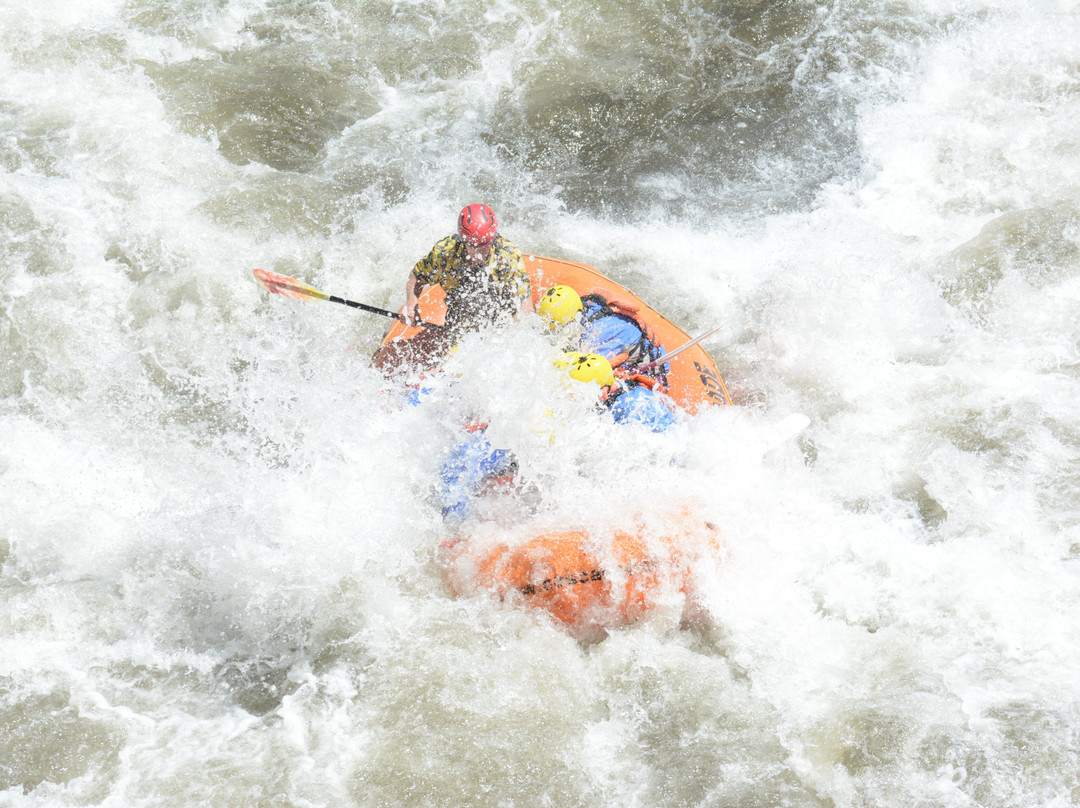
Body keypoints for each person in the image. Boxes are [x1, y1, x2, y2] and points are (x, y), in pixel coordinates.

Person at [437, 352, 677, 524]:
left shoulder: (633, 407)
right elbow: (467, 460)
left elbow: (671, 455)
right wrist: (459, 522)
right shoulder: (544, 411)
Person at [373, 204, 533, 374]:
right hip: (459, 320)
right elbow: (417, 276)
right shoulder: (445, 252)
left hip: (499, 320)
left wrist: (514, 335)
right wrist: (411, 304)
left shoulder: (507, 256)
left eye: (486, 243)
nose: (481, 251)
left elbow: (525, 302)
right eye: (474, 245)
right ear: (463, 240)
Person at [536, 284, 669, 382]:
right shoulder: (582, 308)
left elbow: (589, 375)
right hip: (621, 343)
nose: (557, 333)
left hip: (650, 368)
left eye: (559, 329)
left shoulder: (597, 334)